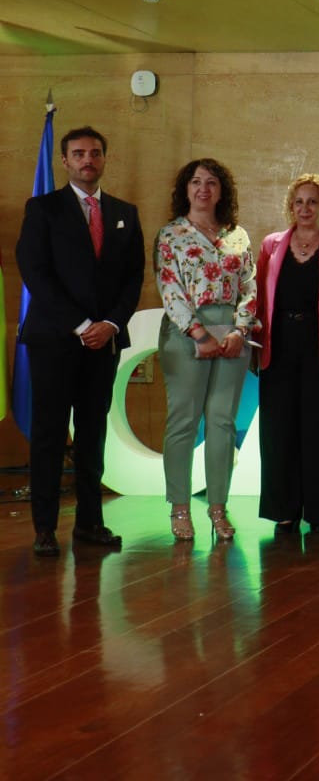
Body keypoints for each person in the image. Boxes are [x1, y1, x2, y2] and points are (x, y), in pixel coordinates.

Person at [16, 125, 144, 557]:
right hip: (55, 340)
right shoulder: (43, 208)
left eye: (94, 153)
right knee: (50, 434)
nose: (87, 160)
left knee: (93, 434)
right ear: (65, 161)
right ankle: (45, 528)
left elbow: (133, 278)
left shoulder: (125, 212)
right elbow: (34, 271)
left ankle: (91, 523)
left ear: (104, 158)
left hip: (103, 342)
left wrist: (109, 324)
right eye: (78, 153)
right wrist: (80, 323)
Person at [153, 158, 257, 542]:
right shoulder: (171, 234)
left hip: (232, 336)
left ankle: (218, 508)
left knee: (222, 423)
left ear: (221, 191)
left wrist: (240, 330)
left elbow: (250, 285)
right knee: (183, 421)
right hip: (186, 334)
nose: (203, 189)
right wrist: (199, 334)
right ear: (186, 189)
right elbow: (170, 287)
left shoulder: (237, 235)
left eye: (211, 182)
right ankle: (180, 507)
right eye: (196, 182)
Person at [255, 174, 319, 533]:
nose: (305, 208)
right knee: (278, 430)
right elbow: (259, 298)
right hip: (278, 344)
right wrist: (254, 342)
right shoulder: (271, 246)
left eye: (313, 201)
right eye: (299, 202)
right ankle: (283, 510)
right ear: (291, 206)